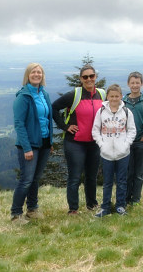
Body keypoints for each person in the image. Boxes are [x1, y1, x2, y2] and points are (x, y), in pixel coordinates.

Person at [52, 64, 105, 214]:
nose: (89, 79)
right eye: (85, 77)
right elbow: (54, 108)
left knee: (91, 176)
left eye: (91, 76)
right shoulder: (74, 95)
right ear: (80, 79)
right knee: (75, 177)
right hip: (74, 143)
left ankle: (92, 205)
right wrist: (65, 126)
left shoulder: (102, 94)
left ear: (96, 77)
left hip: (94, 143)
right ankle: (73, 209)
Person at [11, 63, 53, 223]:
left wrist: (49, 142)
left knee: (35, 179)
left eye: (39, 72)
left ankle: (32, 209)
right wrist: (27, 148)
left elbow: (46, 120)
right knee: (26, 179)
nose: (37, 74)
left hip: (43, 142)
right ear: (28, 75)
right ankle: (15, 214)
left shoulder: (44, 94)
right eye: (33, 72)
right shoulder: (23, 96)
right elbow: (19, 124)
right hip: (28, 145)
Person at [92, 84, 136, 217]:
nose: (114, 98)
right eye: (111, 96)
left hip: (123, 153)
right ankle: (105, 207)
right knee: (107, 182)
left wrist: (126, 144)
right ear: (107, 97)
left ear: (121, 96)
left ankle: (120, 206)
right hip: (106, 154)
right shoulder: (101, 112)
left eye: (117, 96)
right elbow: (95, 130)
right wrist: (102, 144)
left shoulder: (127, 112)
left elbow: (132, 130)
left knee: (122, 181)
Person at [124, 71, 143, 206]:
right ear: (128, 84)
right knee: (128, 172)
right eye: (132, 83)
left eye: (137, 83)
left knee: (138, 172)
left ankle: (136, 199)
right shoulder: (123, 102)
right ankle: (126, 198)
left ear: (141, 83)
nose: (135, 85)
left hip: (140, 141)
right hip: (126, 142)